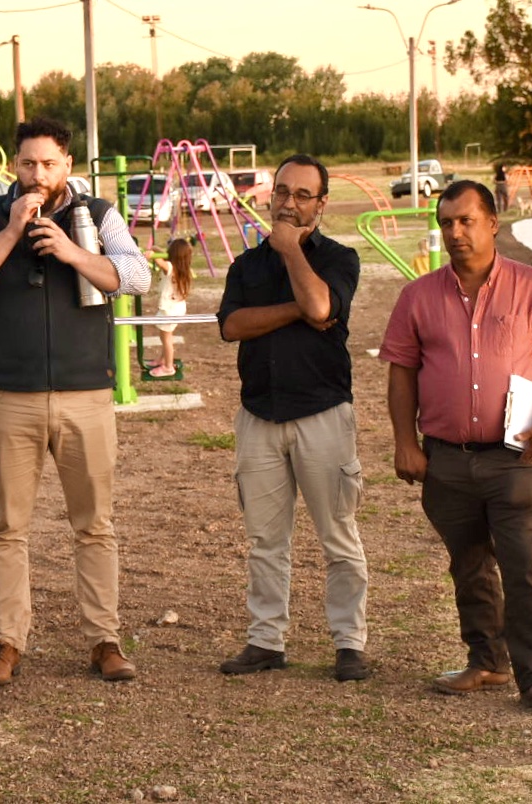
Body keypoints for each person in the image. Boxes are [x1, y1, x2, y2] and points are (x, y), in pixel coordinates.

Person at [0, 117, 151, 687]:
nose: (39, 174)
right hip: (9, 394)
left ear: (68, 165)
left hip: (87, 392)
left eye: (50, 163)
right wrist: (12, 231)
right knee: (7, 526)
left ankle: (104, 641)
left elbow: (136, 276)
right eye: (29, 163)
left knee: (95, 524)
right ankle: (6, 643)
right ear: (14, 165)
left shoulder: (99, 215)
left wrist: (70, 251)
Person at [379, 180, 532, 717]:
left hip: (514, 456)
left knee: (524, 565)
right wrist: (405, 443)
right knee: (468, 563)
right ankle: (487, 660)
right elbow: (402, 374)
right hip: (445, 458)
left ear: (493, 222)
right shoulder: (418, 295)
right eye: (447, 222)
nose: (455, 232)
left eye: (466, 220)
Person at [216, 154, 370, 683]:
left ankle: (349, 643)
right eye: (283, 191)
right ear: (270, 194)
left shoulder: (340, 259)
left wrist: (290, 253)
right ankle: (266, 640)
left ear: (321, 205)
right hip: (259, 415)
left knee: (338, 534)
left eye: (304, 195)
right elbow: (233, 325)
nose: (290, 202)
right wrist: (296, 311)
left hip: (323, 414)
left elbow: (323, 306)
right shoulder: (245, 267)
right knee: (265, 540)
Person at [149, 238, 193, 378]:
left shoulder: (170, 267)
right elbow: (164, 256)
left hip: (169, 310)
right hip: (176, 308)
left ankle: (168, 367)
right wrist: (156, 249)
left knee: (166, 338)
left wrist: (151, 255)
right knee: (165, 337)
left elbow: (160, 262)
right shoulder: (183, 267)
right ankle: (163, 360)